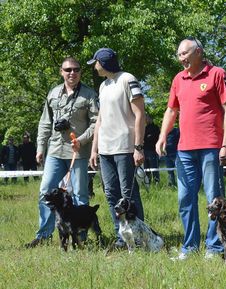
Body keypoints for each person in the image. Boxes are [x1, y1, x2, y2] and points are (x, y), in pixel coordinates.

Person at [155, 37, 226, 260]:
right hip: (184, 149)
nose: (181, 59)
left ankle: (214, 246)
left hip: (211, 147)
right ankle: (189, 247)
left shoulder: (217, 73)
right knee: (185, 199)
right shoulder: (178, 79)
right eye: (179, 55)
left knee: (214, 200)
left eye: (185, 54)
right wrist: (162, 136)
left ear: (198, 52)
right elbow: (171, 111)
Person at [25, 57, 98, 248]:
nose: (72, 73)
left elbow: (96, 122)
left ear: (80, 72)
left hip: (78, 153)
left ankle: (81, 236)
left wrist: (81, 140)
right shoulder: (53, 93)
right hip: (55, 151)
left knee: (79, 195)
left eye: (76, 69)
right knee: (45, 192)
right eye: (68, 70)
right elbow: (45, 122)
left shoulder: (89, 94)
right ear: (61, 72)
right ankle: (44, 235)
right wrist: (40, 147)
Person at [88, 48, 145, 248]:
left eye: (95, 63)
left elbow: (140, 115)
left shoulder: (128, 79)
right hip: (105, 149)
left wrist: (138, 146)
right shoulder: (103, 86)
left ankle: (139, 236)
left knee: (128, 194)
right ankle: (122, 236)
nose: (94, 67)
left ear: (103, 63)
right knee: (111, 193)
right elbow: (100, 120)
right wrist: (94, 149)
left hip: (125, 146)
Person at [143, 113, 161, 184]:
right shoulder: (144, 128)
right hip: (145, 150)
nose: (145, 120)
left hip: (152, 151)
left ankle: (157, 182)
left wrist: (147, 138)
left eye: (147, 118)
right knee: (146, 168)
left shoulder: (155, 128)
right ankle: (148, 182)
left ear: (150, 118)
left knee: (154, 168)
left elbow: (154, 138)